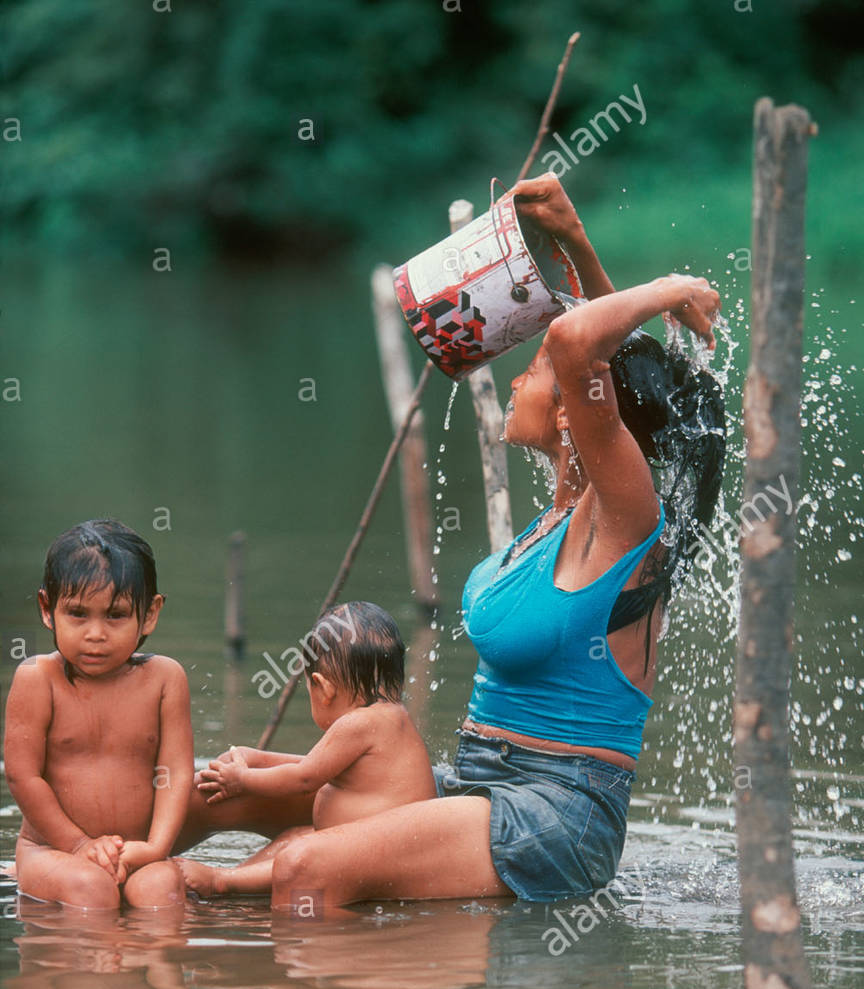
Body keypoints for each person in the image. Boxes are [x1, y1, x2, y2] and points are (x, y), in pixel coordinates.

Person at [176, 174, 725, 909]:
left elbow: (576, 346)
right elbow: (599, 364)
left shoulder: (624, 522)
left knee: (310, 871)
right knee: (208, 791)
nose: (520, 370)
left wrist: (669, 286)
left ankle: (256, 962)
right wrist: (569, 236)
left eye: (532, 369)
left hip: (555, 815)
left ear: (573, 410)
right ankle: (82, 881)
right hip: (472, 783)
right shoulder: (560, 515)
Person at [176, 602, 437, 897]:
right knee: (294, 837)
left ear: (322, 688)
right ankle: (233, 881)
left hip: (373, 860)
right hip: (390, 854)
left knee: (301, 848)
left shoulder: (358, 723)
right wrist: (260, 758)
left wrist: (241, 780)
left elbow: (304, 779)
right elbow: (321, 765)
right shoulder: (393, 716)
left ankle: (221, 881)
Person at [4, 520, 193, 909]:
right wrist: (80, 845)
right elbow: (23, 776)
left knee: (163, 894)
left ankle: (159, 968)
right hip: (51, 852)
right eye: (77, 614)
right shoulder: (39, 680)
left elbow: (176, 771)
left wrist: (156, 847)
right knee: (91, 890)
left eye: (116, 615)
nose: (95, 633)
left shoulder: (164, 679)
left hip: (137, 853)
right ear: (47, 609)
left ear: (151, 613)